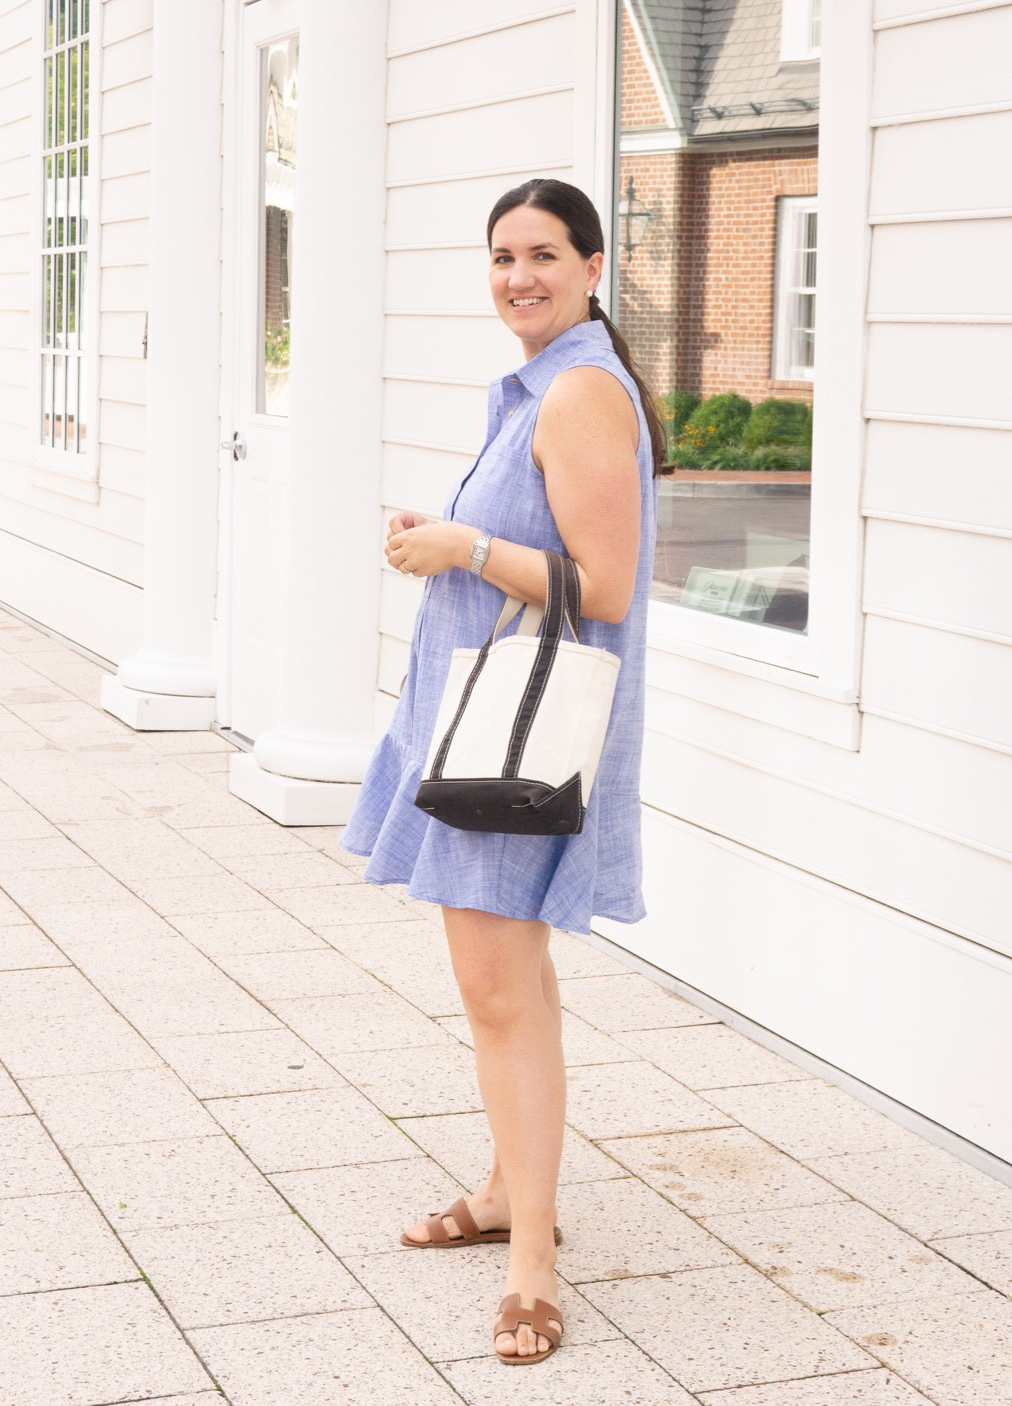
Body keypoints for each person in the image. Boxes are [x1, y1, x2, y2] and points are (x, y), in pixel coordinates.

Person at [341, 176, 665, 1364]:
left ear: (590, 267)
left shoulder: (578, 390)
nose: (516, 274)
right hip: (484, 724)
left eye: (541, 253)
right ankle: (500, 1190)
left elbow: (611, 587)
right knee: (511, 984)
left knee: (495, 994)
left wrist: (463, 545)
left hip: (511, 742)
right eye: (499, 256)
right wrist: (451, 544)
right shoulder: (541, 384)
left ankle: (532, 1260)